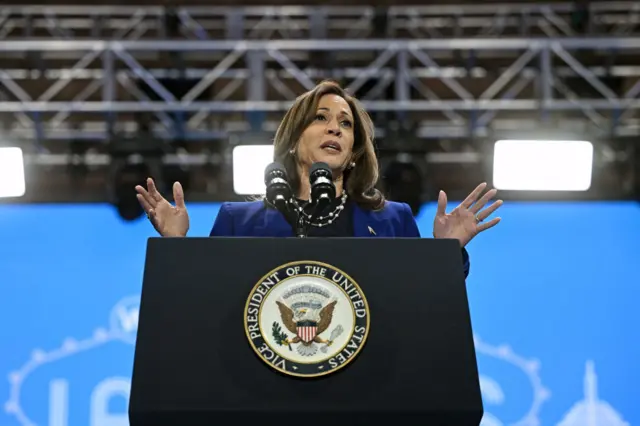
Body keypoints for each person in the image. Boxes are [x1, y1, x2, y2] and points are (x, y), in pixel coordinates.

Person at [135, 80, 503, 277]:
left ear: (355, 150)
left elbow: (422, 301)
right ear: (294, 140)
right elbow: (207, 297)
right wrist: (175, 244)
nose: (335, 128)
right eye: (321, 118)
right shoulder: (237, 220)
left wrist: (447, 253)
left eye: (346, 124)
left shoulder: (392, 219)